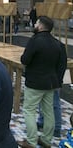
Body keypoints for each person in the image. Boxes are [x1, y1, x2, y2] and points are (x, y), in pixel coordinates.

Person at [18, 16, 67, 148]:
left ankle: (31, 141)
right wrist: (58, 81)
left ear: (40, 26)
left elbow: (25, 60)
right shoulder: (58, 44)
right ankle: (46, 139)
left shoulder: (35, 41)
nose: (34, 24)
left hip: (35, 82)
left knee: (29, 110)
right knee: (48, 111)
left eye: (36, 22)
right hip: (51, 83)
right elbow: (62, 65)